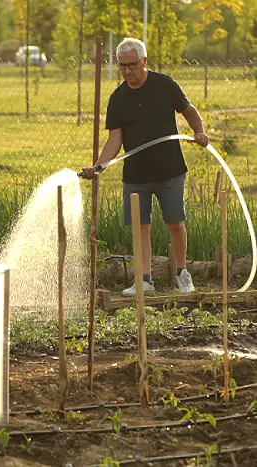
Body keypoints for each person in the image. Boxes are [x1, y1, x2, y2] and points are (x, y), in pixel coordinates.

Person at [81, 37, 209, 296]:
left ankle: (182, 273)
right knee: (141, 228)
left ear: (144, 62)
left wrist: (200, 132)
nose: (128, 71)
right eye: (122, 66)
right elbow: (114, 139)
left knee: (175, 223)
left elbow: (189, 110)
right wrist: (99, 166)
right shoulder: (117, 99)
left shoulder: (164, 85)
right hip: (136, 175)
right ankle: (144, 280)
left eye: (132, 65)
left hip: (170, 170)